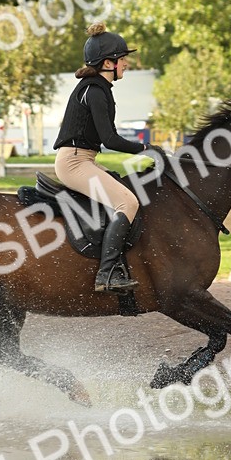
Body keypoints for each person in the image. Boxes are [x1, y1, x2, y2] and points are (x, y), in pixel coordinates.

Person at [53, 22, 147, 292]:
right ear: (109, 63)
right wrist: (145, 149)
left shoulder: (96, 88)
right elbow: (111, 139)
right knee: (128, 202)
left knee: (122, 190)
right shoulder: (94, 91)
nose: (126, 63)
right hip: (74, 162)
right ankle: (106, 274)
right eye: (123, 59)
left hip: (83, 159)